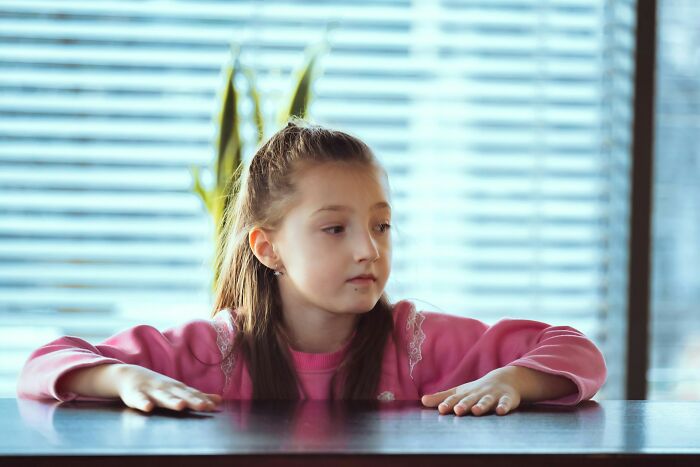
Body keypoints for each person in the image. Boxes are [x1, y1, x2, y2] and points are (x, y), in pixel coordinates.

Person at [17, 119, 607, 417]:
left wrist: (512, 381)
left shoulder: (419, 342)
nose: (368, 251)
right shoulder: (208, 350)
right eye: (335, 228)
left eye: (380, 225)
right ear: (267, 247)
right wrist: (122, 379)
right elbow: (47, 363)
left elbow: (575, 350)